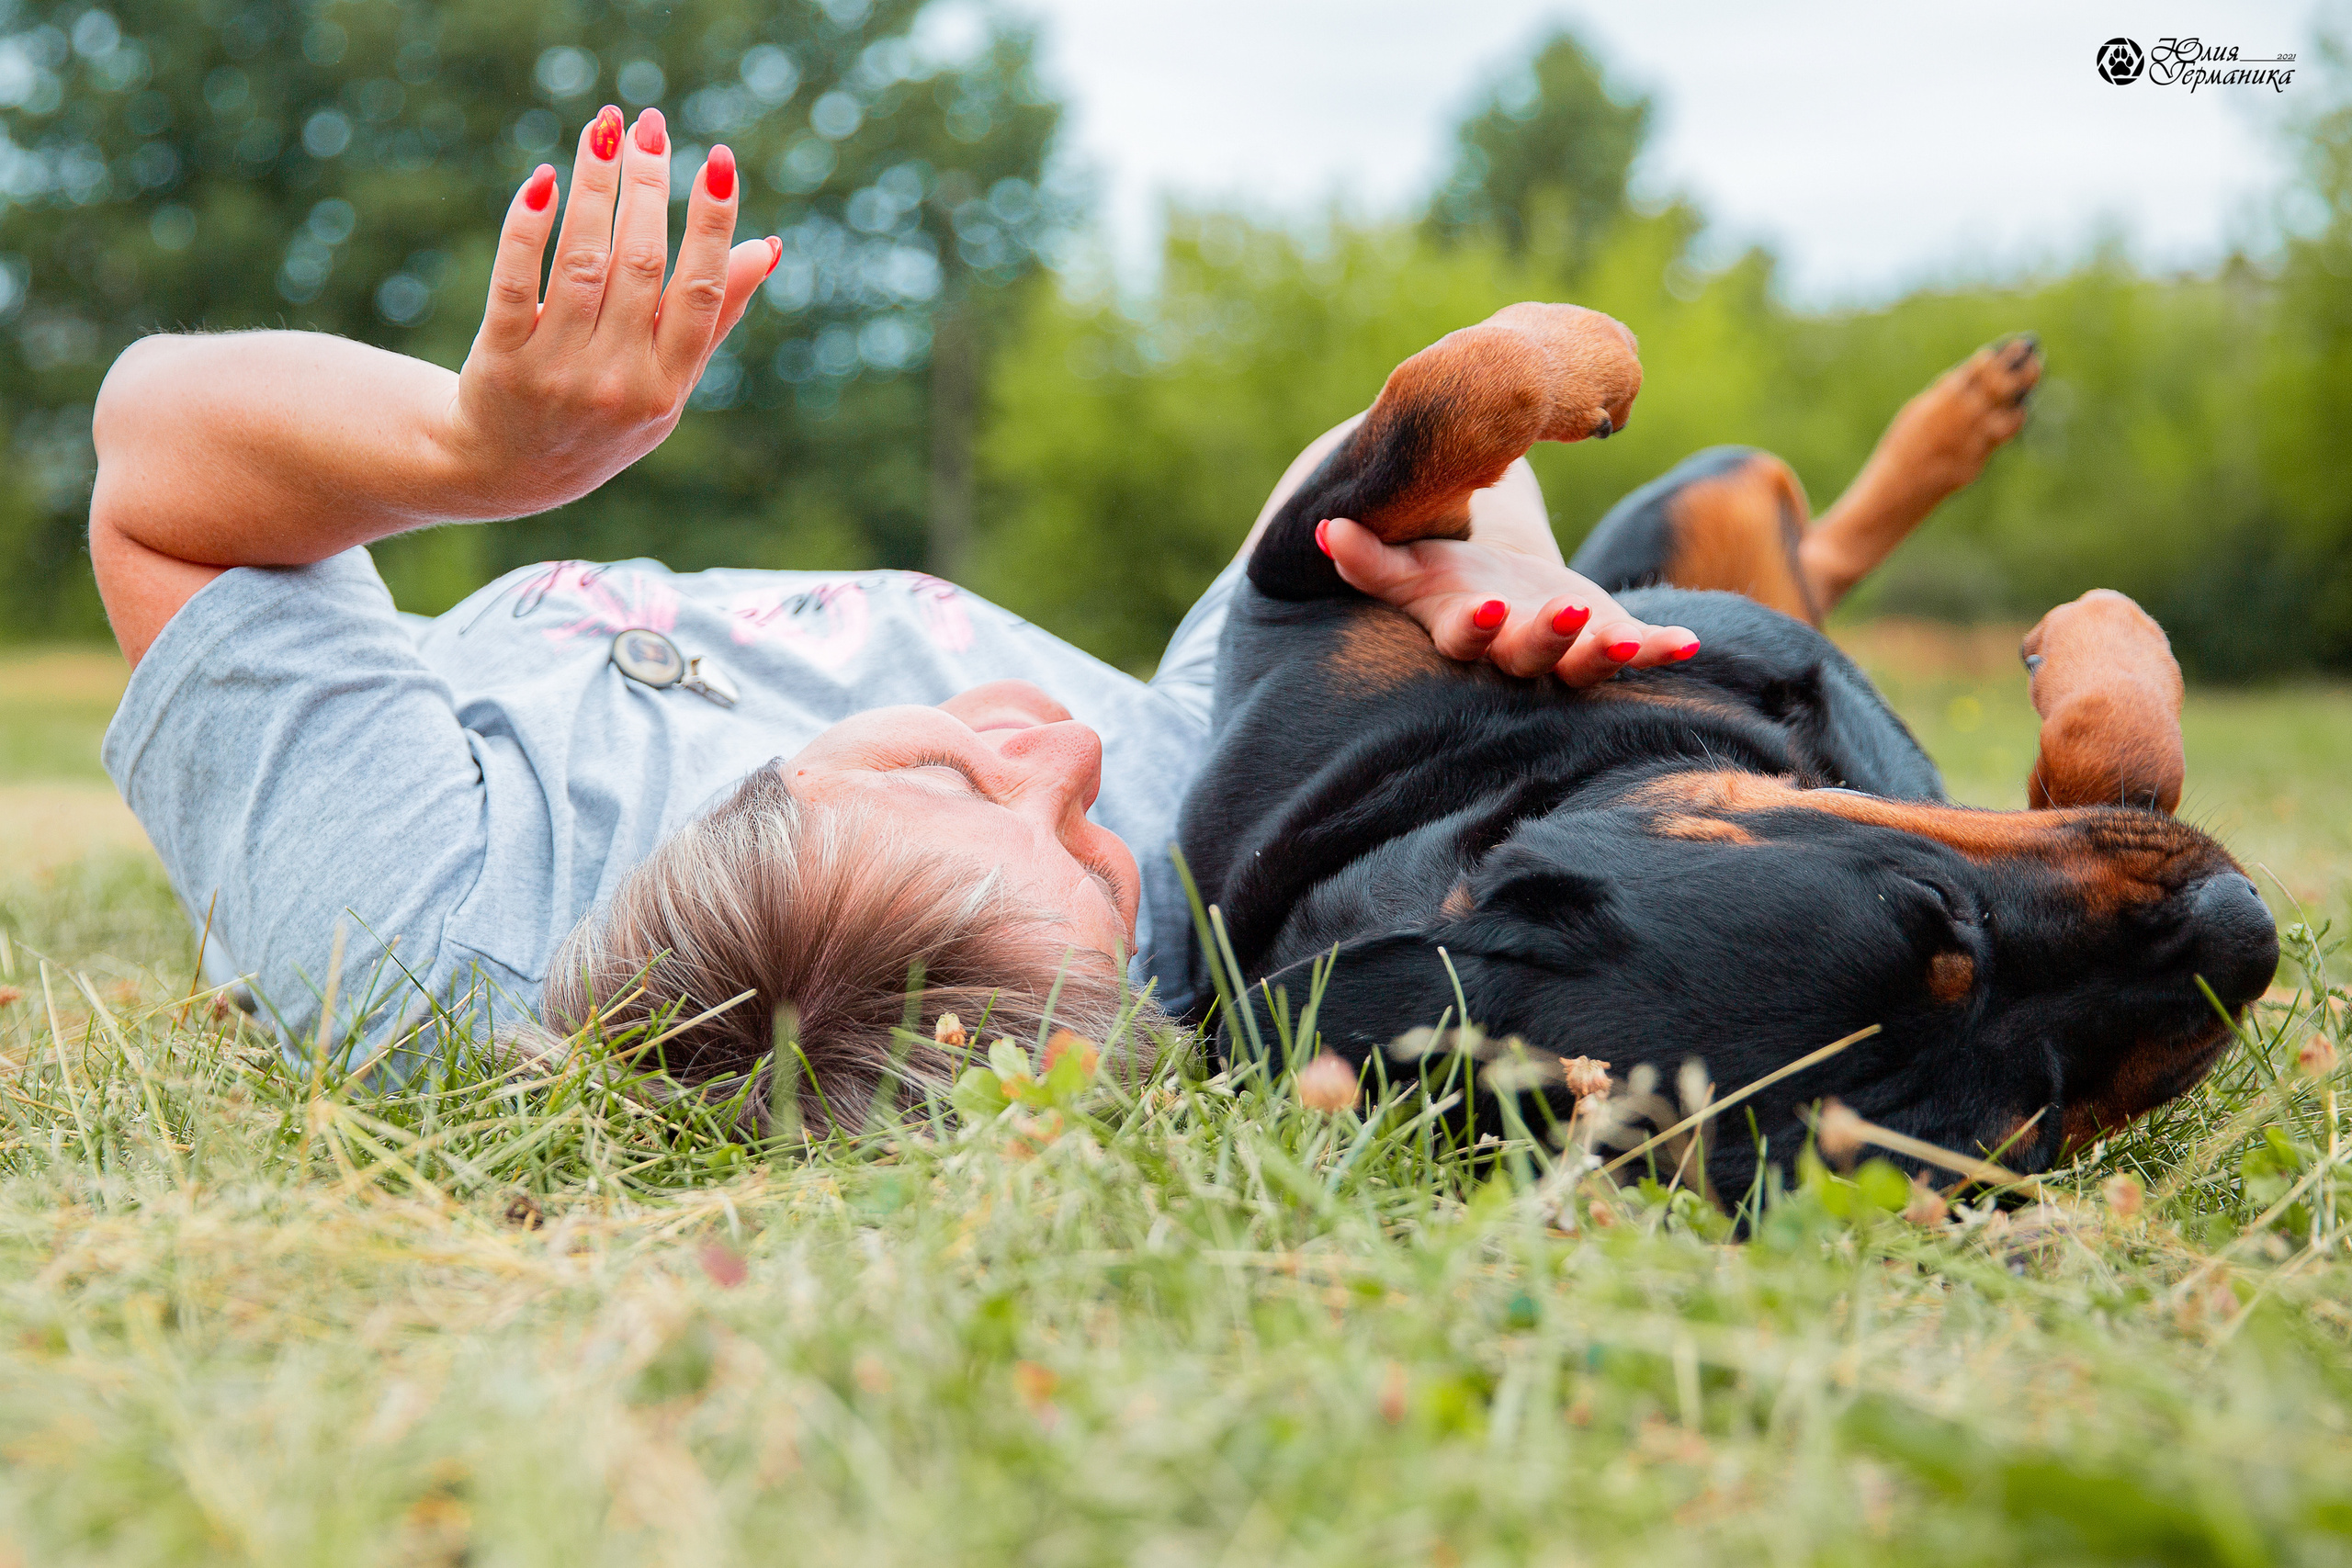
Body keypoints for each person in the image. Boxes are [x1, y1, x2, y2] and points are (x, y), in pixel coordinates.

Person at [87, 107, 1695, 1120]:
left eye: (942, 781)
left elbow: (157, 454)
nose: (1062, 754)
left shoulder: (428, 943)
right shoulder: (1194, 894)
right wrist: (1496, 546)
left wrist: (468, 452)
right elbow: (1341, 509)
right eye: (1086, 863)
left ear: (751, 794)